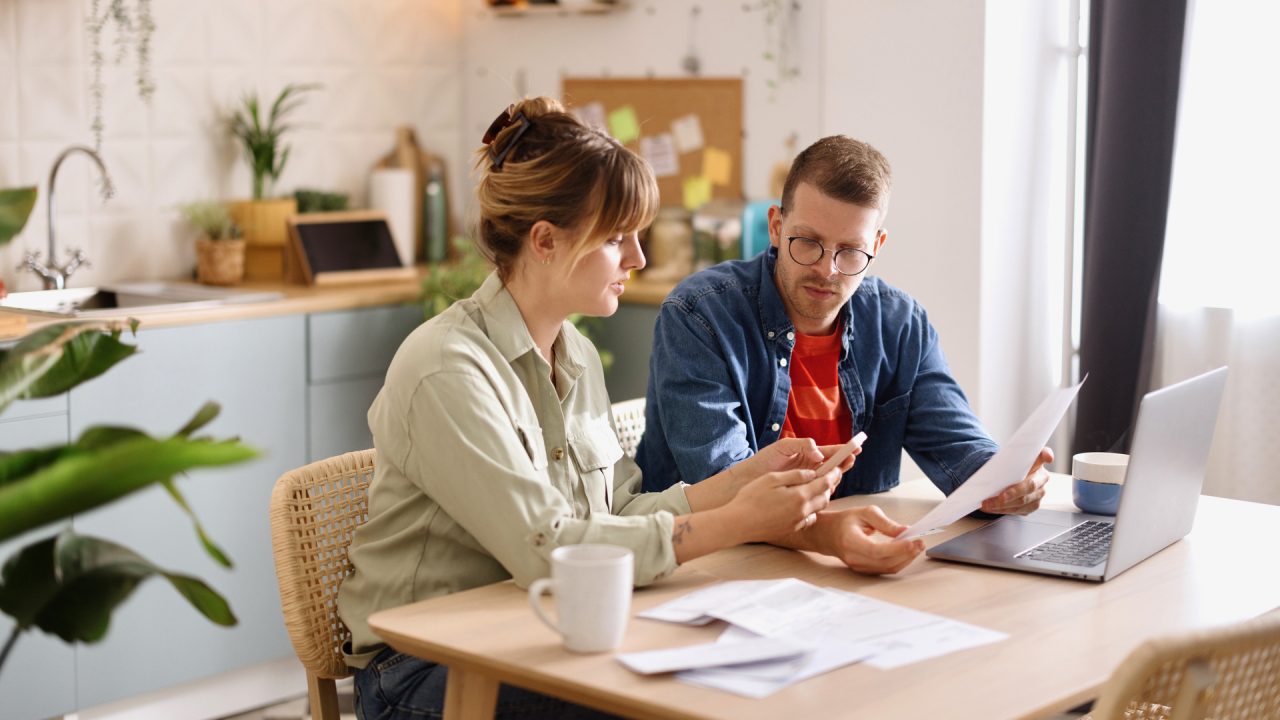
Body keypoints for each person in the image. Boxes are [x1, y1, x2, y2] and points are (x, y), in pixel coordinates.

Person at [336, 98, 854, 720]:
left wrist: (744, 480)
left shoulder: (575, 352)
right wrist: (738, 521)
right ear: (546, 241)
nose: (637, 258)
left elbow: (616, 513)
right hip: (422, 667)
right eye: (615, 238)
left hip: (536, 626)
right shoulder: (447, 367)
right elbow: (547, 550)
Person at [637, 135, 1053, 575]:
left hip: (841, 566)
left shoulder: (900, 324)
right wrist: (828, 534)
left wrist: (1007, 482)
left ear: (878, 244)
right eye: (807, 242)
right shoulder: (700, 314)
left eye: (850, 251)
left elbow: (961, 450)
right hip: (704, 567)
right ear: (776, 226)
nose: (827, 269)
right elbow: (723, 487)